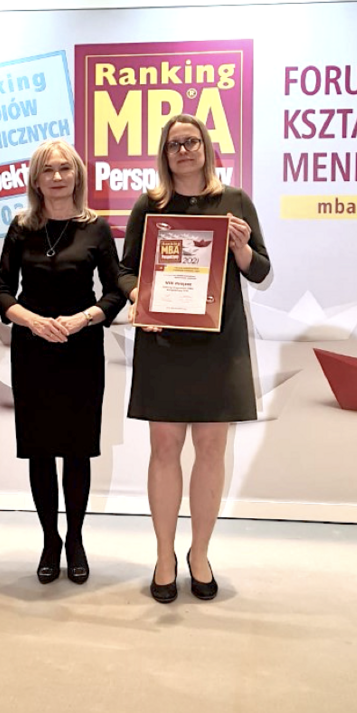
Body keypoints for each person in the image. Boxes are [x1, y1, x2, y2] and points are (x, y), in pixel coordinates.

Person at [119, 113, 270, 603]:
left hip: (217, 346)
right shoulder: (150, 204)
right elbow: (125, 272)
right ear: (164, 155)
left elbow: (261, 270)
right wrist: (142, 293)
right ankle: (165, 555)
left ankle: (198, 553)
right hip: (164, 344)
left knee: (210, 452)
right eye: (174, 144)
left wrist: (243, 251)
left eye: (191, 142)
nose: (184, 150)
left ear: (206, 147)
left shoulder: (235, 202)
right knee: (163, 451)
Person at [0, 139, 125, 584]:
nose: (56, 177)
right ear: (36, 179)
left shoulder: (96, 228)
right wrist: (31, 321)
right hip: (34, 351)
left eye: (64, 169)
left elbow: (114, 291)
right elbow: (1, 291)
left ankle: (76, 538)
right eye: (47, 170)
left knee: (76, 451)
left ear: (77, 176)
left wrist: (83, 319)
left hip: (80, 349)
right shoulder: (21, 227)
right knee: (40, 452)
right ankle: (50, 540)